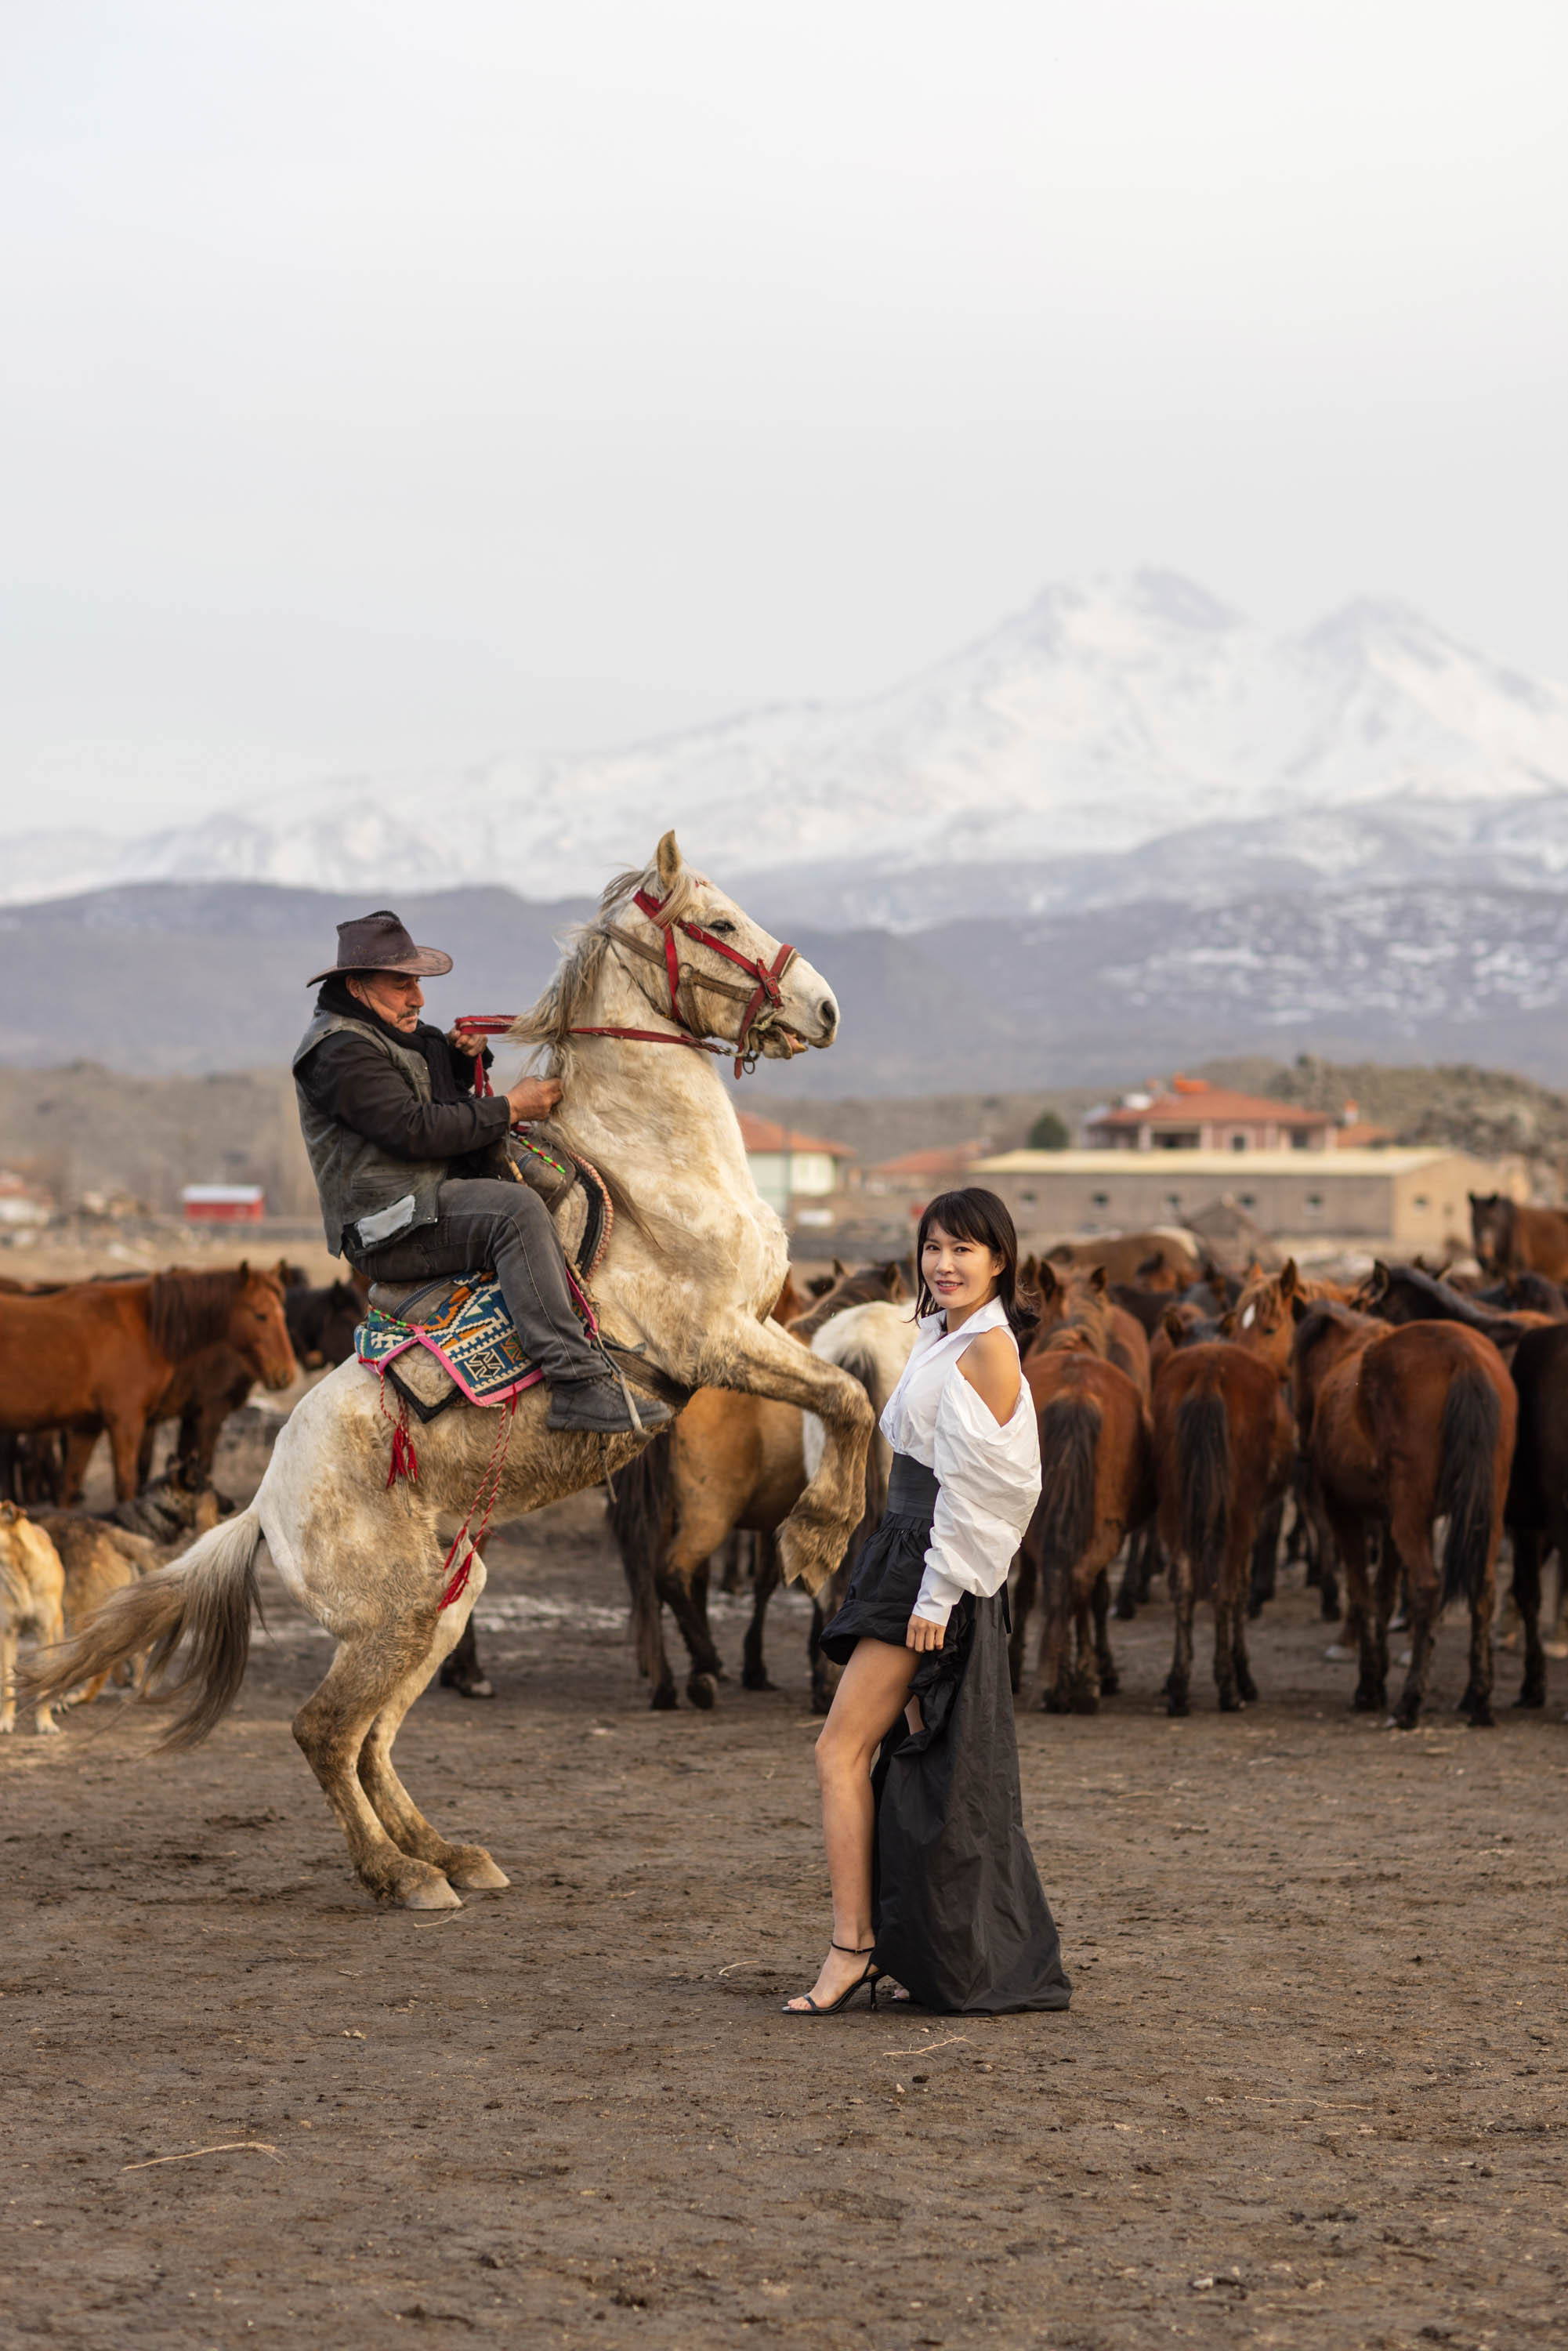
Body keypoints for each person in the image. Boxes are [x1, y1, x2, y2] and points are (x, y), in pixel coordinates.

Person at [784, 1186, 1070, 2016]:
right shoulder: (944, 1336)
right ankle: (904, 1941)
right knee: (895, 1762)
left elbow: (999, 1489)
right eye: (934, 1248)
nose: (943, 1265)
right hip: (904, 1546)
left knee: (839, 1752)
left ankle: (853, 1947)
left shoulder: (990, 1350)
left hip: (927, 1565)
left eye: (964, 1251)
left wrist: (938, 1593)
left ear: (1001, 1260)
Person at [292, 908, 667, 1436]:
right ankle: (576, 1381)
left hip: (423, 1200)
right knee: (514, 1213)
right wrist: (512, 1107)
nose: (418, 999)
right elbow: (414, 1127)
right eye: (402, 985)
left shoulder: (390, 1034)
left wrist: (464, 1056)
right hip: (389, 1227)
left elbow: (429, 1086)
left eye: (417, 984)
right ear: (356, 987)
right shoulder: (338, 1051)